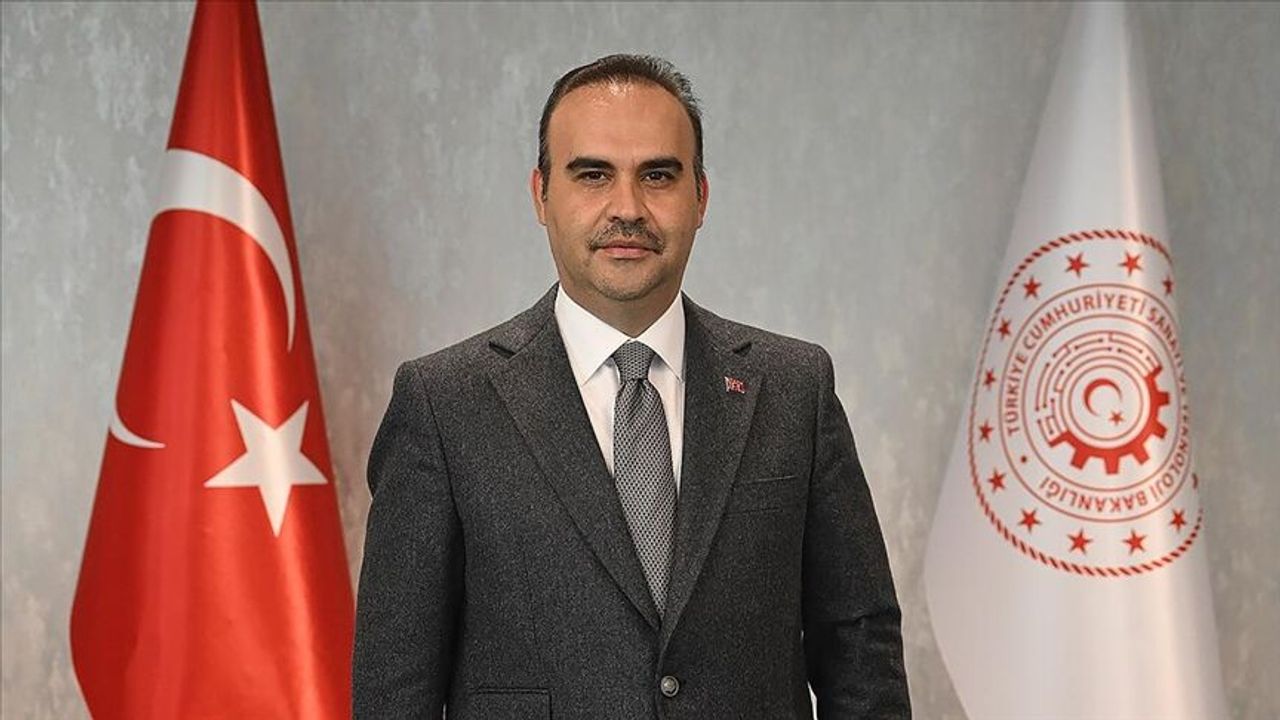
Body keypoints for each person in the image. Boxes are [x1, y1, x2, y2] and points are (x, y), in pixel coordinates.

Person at [352, 53, 910, 720]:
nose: (627, 208)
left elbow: (861, 655)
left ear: (701, 198)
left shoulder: (794, 390)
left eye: (658, 176)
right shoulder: (444, 404)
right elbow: (394, 690)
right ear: (541, 195)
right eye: (593, 175)